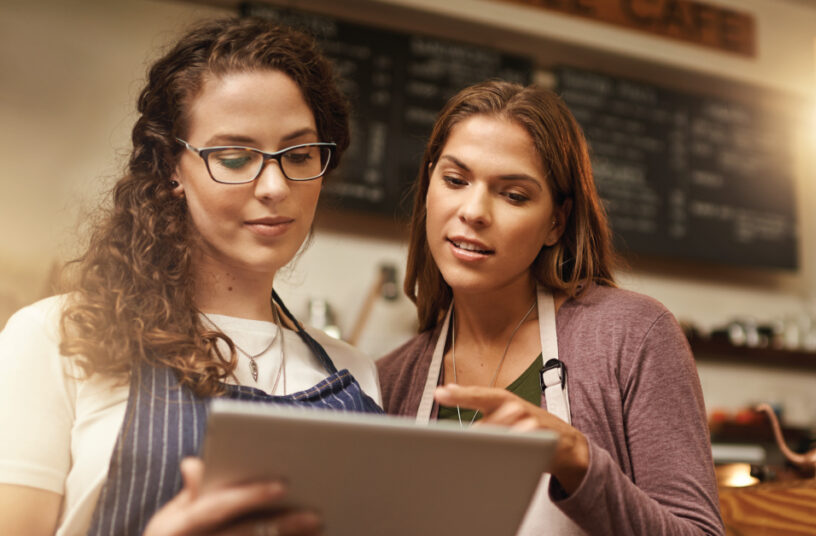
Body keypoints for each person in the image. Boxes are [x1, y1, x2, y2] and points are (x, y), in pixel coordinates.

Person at [0, 17, 382, 536]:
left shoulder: (354, 370)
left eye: (298, 154)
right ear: (172, 167)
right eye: (233, 156)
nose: (274, 185)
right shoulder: (55, 337)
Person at [377, 80, 724, 535]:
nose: (474, 211)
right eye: (455, 180)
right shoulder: (390, 381)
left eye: (514, 195)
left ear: (555, 223)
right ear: (428, 187)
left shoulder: (633, 335)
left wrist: (578, 462)